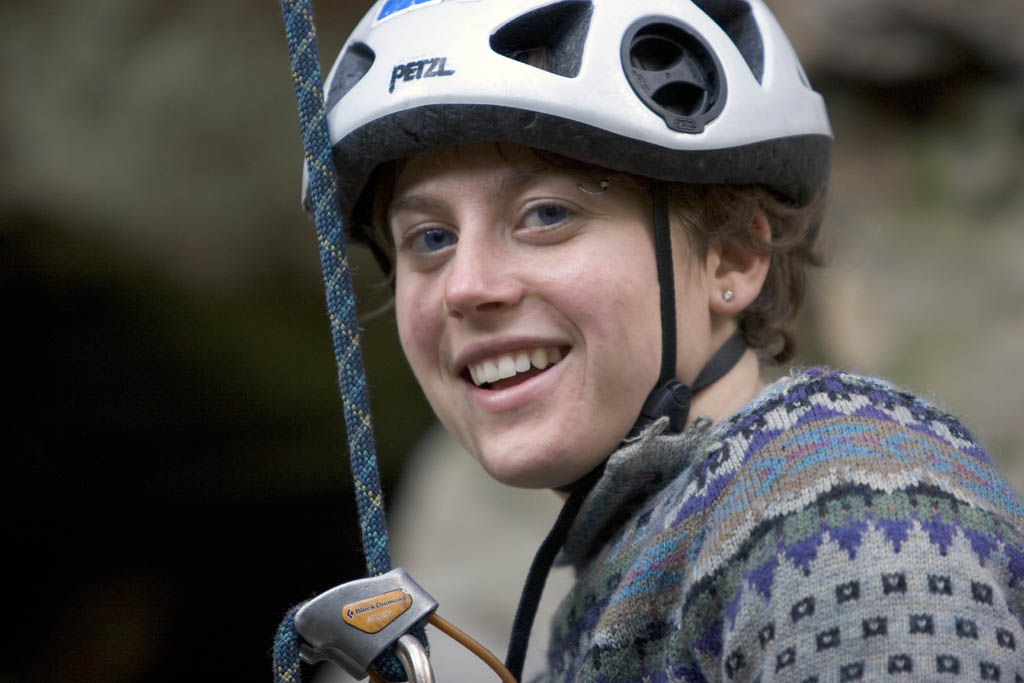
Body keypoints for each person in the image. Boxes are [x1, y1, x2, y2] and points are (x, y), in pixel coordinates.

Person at [308, 0, 1024, 680]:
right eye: (429, 238)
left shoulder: (849, 505)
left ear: (733, 256)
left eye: (546, 214)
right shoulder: (667, 551)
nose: (467, 286)